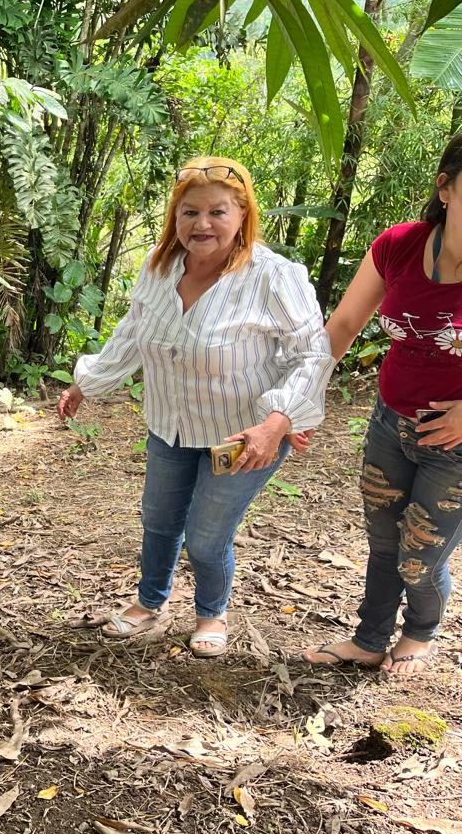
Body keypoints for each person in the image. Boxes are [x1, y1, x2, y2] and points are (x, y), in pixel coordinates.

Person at [58, 158, 331, 657]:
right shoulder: (161, 265)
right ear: (175, 216)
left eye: (217, 212)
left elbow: (311, 353)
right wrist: (88, 383)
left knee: (206, 536)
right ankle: (149, 603)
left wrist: (279, 422)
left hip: (242, 436)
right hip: (171, 424)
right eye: (190, 212)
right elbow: (133, 331)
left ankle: (211, 614)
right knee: (159, 519)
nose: (202, 224)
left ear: (242, 214)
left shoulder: (272, 276)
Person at [303, 134, 462, 675]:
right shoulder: (399, 245)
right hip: (390, 422)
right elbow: (344, 324)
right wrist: (300, 400)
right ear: (445, 188)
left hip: (455, 442)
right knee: (384, 542)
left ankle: (420, 632)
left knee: (420, 558)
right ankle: (370, 639)